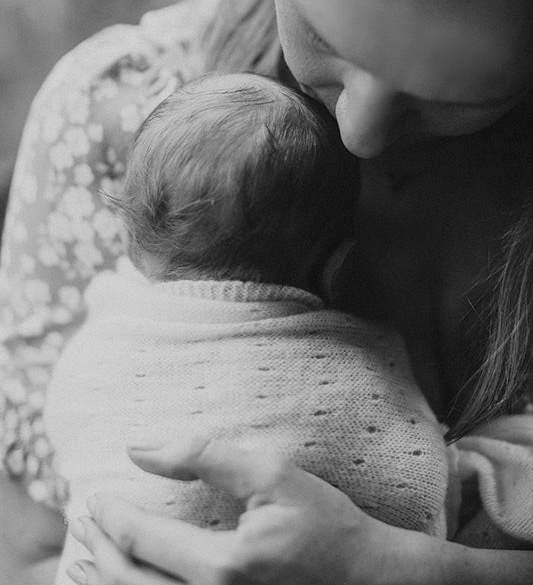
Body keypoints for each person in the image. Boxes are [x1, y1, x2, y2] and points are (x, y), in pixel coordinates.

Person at [3, 0, 533, 582]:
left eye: (452, 98)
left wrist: (405, 571)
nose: (356, 134)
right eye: (321, 36)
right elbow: (27, 551)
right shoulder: (112, 111)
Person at [44, 72, 457, 585]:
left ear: (131, 244)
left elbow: (68, 435)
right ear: (338, 266)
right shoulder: (361, 366)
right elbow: (413, 488)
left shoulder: (100, 344)